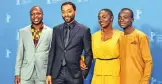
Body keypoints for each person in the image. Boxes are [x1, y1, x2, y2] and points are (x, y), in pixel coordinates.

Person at [46, 2, 93, 84]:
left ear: (75, 12)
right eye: (63, 12)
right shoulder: (56, 29)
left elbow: (88, 53)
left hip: (75, 74)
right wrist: (48, 74)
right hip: (57, 74)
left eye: (69, 11)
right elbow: (52, 52)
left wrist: (84, 73)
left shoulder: (84, 30)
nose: (66, 14)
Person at [14, 6, 52, 84]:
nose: (35, 16)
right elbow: (20, 54)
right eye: (33, 14)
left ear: (42, 15)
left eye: (38, 13)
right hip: (25, 73)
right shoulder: (23, 32)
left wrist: (50, 73)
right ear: (30, 16)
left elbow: (52, 54)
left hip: (43, 73)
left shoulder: (50, 32)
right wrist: (17, 73)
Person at [118, 8, 153, 84]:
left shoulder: (141, 36)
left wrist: (144, 81)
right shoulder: (118, 37)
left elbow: (148, 61)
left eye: (125, 17)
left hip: (137, 80)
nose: (121, 20)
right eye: (119, 18)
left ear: (132, 19)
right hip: (119, 80)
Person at [90, 8, 121, 84]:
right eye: (99, 18)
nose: (101, 20)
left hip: (114, 75)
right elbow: (89, 55)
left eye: (104, 17)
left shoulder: (121, 36)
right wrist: (80, 60)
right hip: (97, 75)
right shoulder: (94, 36)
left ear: (111, 18)